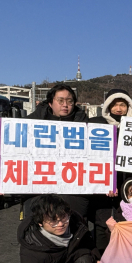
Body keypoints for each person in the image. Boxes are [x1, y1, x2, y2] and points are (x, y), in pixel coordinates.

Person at [24, 84, 90, 219]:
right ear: (50, 103)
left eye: (69, 101)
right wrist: (0, 177)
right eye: (60, 101)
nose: (65, 105)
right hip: (40, 187)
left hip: (73, 189)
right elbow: (11, 152)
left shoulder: (86, 126)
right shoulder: (30, 123)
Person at [89, 89, 132, 249]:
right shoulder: (97, 124)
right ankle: (100, 262)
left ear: (128, 106)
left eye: (122, 104)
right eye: (114, 104)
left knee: (125, 223)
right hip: (101, 183)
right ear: (108, 106)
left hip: (127, 182)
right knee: (101, 224)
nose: (118, 108)